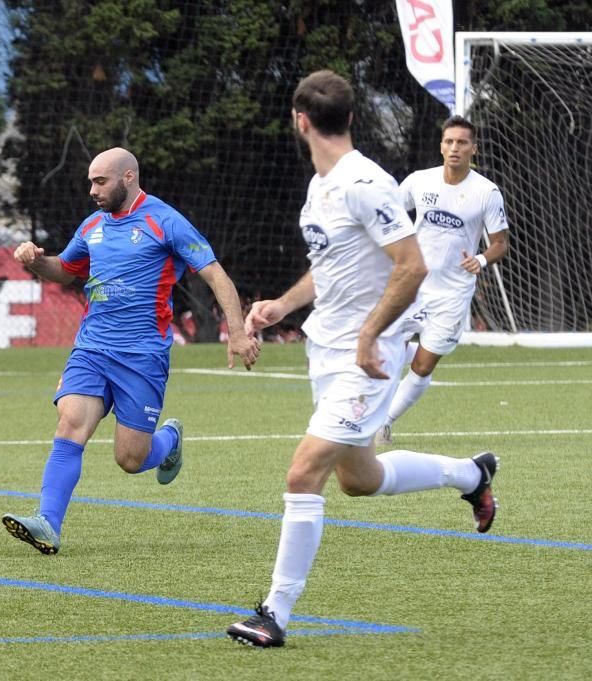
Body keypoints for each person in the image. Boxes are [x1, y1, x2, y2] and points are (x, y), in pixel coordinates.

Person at [225, 71, 499, 648]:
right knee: (360, 479)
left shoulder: (365, 182)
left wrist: (372, 334)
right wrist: (282, 305)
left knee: (304, 473)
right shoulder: (320, 185)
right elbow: (330, 269)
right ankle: (471, 474)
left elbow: (412, 264)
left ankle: (273, 613)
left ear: (300, 121)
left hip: (365, 357)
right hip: (324, 348)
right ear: (348, 117)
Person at [1, 147, 261, 555]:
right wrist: (35, 261)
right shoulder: (92, 226)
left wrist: (238, 332)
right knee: (70, 423)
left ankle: (169, 439)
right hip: (92, 348)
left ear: (127, 178)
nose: (92, 190)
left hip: (142, 357)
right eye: (90, 181)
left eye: (100, 181)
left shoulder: (165, 221)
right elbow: (66, 271)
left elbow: (216, 274)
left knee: (131, 458)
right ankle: (48, 524)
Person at [376, 115, 510, 444]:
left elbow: (500, 243)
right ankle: (367, 413)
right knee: (381, 346)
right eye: (449, 141)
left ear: (473, 149)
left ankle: (386, 422)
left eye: (462, 142)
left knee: (423, 365)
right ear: (441, 146)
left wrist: (480, 259)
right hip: (411, 286)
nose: (454, 148)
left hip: (452, 294)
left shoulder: (486, 192)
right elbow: (388, 212)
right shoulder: (420, 181)